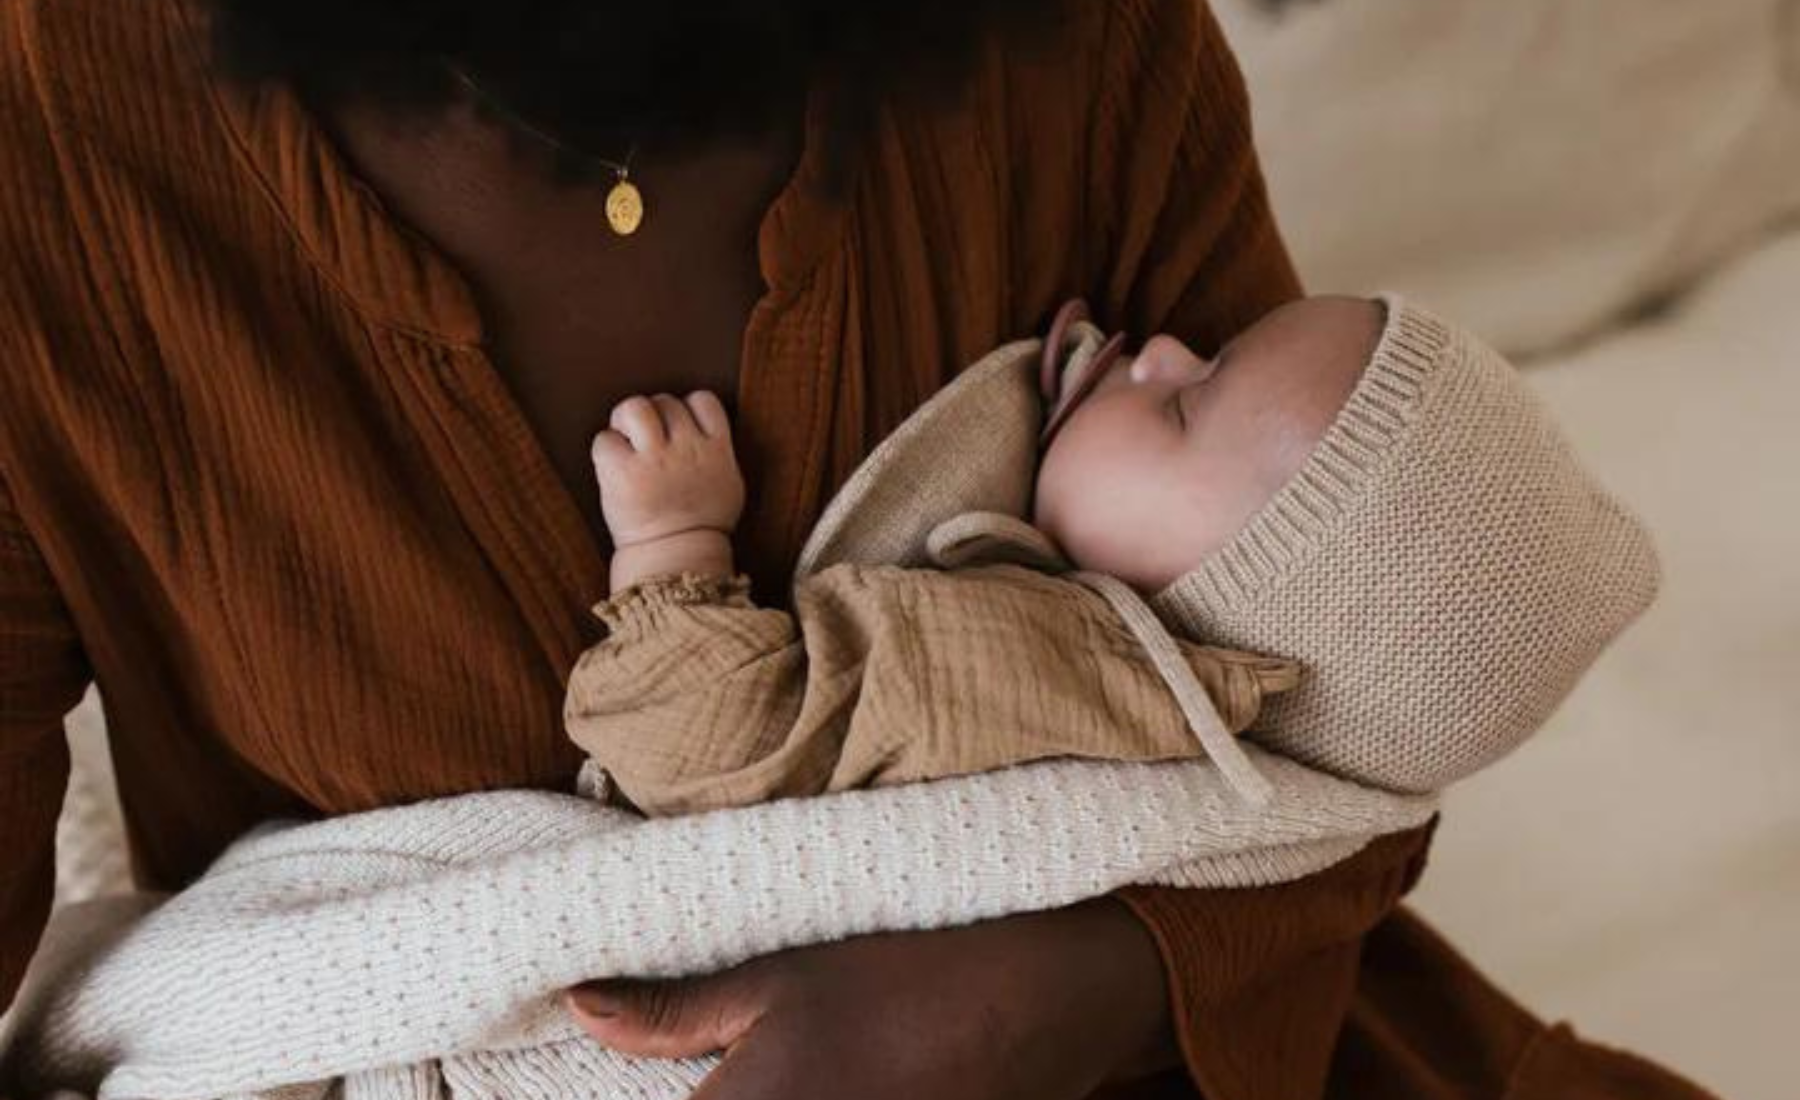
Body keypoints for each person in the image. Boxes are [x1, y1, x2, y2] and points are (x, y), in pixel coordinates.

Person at [0, 0, 1717, 1097]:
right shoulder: (53, 154)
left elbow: (1342, 754)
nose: (1154, 366)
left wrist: (1055, 988)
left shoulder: (1073, 50)